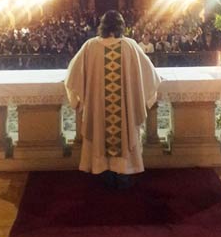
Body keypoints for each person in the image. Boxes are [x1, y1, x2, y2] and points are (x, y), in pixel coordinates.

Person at [64, 10, 161, 189]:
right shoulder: (130, 46)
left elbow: (72, 74)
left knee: (99, 133)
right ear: (121, 26)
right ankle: (123, 174)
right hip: (124, 110)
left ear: (102, 26)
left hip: (98, 108)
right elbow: (150, 75)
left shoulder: (90, 46)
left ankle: (103, 174)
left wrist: (77, 99)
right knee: (124, 133)